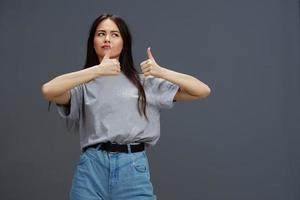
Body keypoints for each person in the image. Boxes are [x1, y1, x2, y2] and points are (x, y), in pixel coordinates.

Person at [41, 13, 211, 200]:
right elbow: (48, 90)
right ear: (92, 42)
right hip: (91, 170)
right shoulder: (82, 86)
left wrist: (161, 72)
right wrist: (98, 70)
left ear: (124, 43)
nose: (107, 38)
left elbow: (202, 90)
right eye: (101, 34)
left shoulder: (144, 83)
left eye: (115, 34)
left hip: (132, 167)